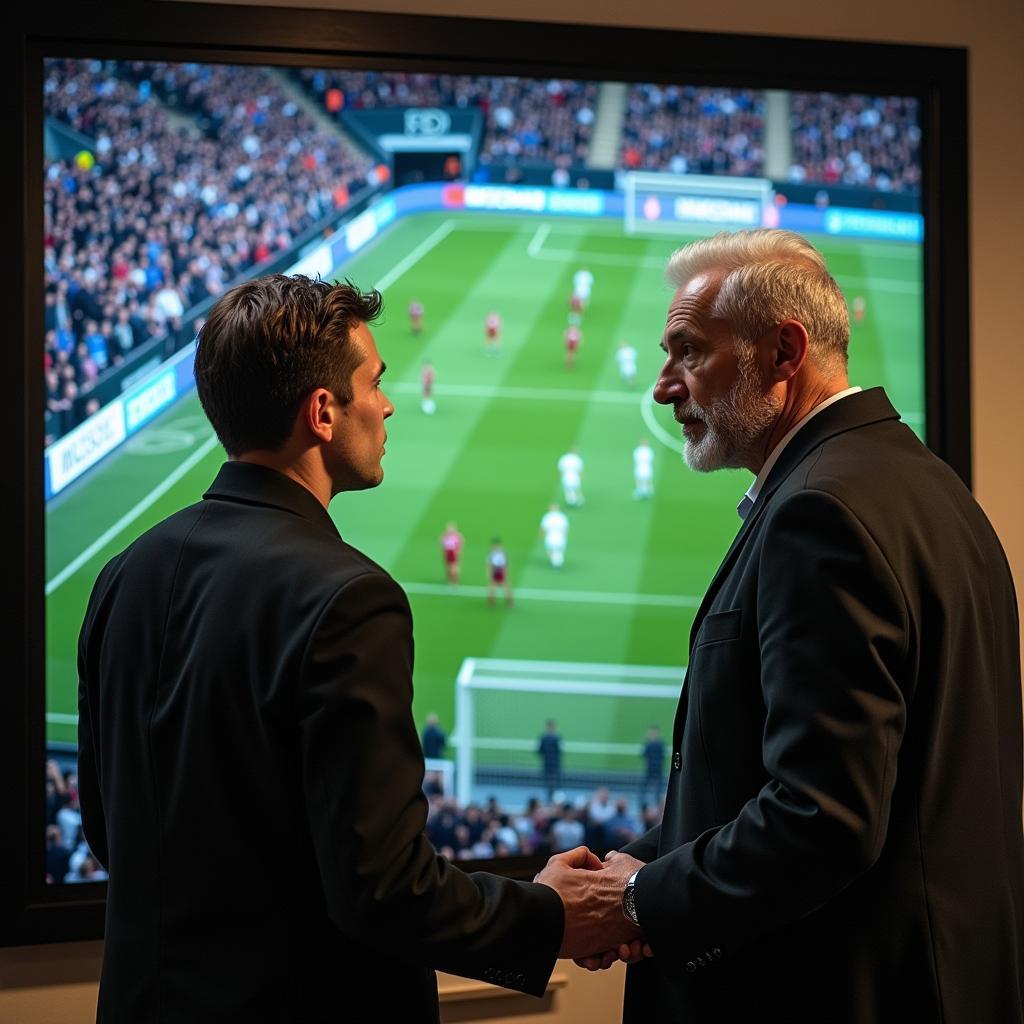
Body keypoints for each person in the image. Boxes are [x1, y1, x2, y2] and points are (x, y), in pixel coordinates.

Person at [535, 228, 1023, 1022]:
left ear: (783, 352)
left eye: (688, 351)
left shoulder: (821, 514)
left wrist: (636, 899)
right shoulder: (925, 485)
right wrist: (652, 865)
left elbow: (822, 818)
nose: (665, 386)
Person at [77, 274, 569, 1022]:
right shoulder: (346, 597)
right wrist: (551, 915)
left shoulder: (122, 575)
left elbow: (111, 832)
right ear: (323, 412)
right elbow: (385, 890)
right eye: (374, 382)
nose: (389, 402)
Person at [638, 724, 665, 808]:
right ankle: (644, 802)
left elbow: (643, 754)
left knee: (657, 789)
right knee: (647, 788)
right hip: (652, 769)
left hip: (655, 769)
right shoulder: (659, 743)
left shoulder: (657, 744)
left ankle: (656, 804)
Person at [537, 720, 563, 803]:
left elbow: (560, 751)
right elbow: (540, 750)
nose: (551, 729)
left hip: (554, 764)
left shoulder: (557, 738)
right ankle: (549, 798)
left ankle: (554, 799)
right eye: (550, 727)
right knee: (548, 782)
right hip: (547, 764)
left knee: (555, 782)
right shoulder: (543, 738)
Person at [540, 503, 569, 568]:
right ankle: (558, 562)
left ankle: (553, 562)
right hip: (560, 537)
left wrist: (541, 535)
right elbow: (566, 528)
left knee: (550, 550)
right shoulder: (562, 517)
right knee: (559, 550)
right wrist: (565, 536)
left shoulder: (547, 517)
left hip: (550, 537)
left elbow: (543, 528)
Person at [486, 538, 513, 608]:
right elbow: (489, 564)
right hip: (494, 572)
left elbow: (506, 564)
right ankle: (491, 604)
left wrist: (506, 573)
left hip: (501, 571)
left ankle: (509, 604)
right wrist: (490, 574)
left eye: (498, 546)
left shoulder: (504, 553)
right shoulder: (491, 554)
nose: (497, 547)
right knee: (491, 590)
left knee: (507, 589)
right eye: (495, 546)